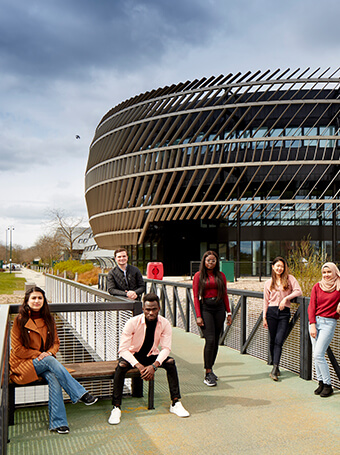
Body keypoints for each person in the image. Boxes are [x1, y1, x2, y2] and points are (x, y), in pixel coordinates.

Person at [10, 286, 98, 434]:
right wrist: (40, 354)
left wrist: (48, 353)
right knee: (50, 361)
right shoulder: (20, 321)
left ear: (44, 300)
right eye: (33, 298)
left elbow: (56, 343)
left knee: (55, 377)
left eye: (40, 298)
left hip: (44, 362)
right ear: (27, 301)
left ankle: (58, 423)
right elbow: (17, 349)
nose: (37, 301)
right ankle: (80, 393)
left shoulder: (49, 319)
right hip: (23, 364)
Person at [108, 292, 189, 424]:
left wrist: (154, 366)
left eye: (154, 309)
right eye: (148, 310)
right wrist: (139, 366)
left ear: (159, 309)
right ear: (143, 309)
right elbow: (123, 350)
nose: (151, 313)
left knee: (170, 362)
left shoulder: (165, 323)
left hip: (151, 356)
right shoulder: (132, 323)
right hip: (133, 356)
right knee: (121, 367)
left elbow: (166, 348)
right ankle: (116, 407)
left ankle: (175, 403)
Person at [193, 251, 232, 387]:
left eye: (213, 260)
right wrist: (198, 315)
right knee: (209, 340)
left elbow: (225, 294)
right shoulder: (198, 276)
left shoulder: (221, 276)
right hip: (206, 309)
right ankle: (207, 372)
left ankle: (211, 368)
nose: (211, 263)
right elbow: (195, 297)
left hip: (219, 308)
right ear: (204, 261)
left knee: (216, 340)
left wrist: (229, 312)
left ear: (217, 262)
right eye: (208, 260)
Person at [263, 257, 302, 381]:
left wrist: (286, 299)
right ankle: (275, 365)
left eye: (282, 266)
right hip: (271, 312)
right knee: (272, 340)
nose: (280, 268)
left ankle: (275, 368)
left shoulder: (290, 279)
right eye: (277, 266)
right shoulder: (268, 283)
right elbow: (265, 301)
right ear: (273, 267)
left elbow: (298, 291)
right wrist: (264, 317)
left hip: (284, 313)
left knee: (279, 340)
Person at [308, 262, 340, 397]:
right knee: (316, 354)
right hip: (315, 322)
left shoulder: (339, 286)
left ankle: (328, 385)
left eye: (329, 272)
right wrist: (312, 324)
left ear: (335, 272)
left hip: (329, 323)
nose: (326, 275)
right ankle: (321, 382)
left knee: (318, 354)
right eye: (324, 273)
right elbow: (311, 306)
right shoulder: (317, 286)